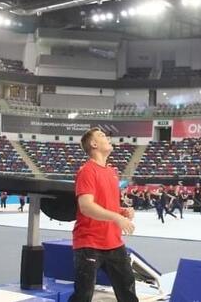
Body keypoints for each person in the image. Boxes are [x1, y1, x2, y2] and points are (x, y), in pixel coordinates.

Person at [70, 128, 137, 302]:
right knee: (83, 296)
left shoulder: (112, 172)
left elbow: (107, 205)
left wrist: (122, 211)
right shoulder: (87, 171)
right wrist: (117, 218)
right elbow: (86, 207)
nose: (107, 138)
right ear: (93, 144)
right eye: (101, 136)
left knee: (128, 292)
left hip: (113, 242)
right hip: (89, 242)